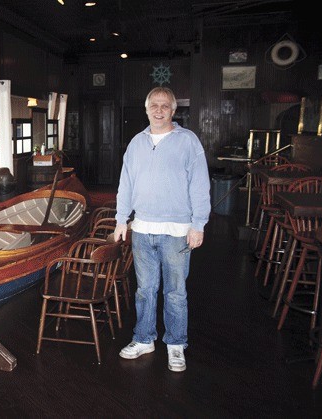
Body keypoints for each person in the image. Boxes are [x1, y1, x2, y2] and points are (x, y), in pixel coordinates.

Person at [114, 86, 210, 372]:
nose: (159, 110)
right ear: (146, 109)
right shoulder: (136, 143)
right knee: (145, 290)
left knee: (176, 292)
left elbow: (200, 186)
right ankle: (144, 338)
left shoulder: (188, 141)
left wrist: (198, 225)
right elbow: (126, 184)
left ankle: (176, 344)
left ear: (173, 110)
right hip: (142, 229)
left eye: (164, 106)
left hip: (178, 231)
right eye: (153, 105)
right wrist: (121, 219)